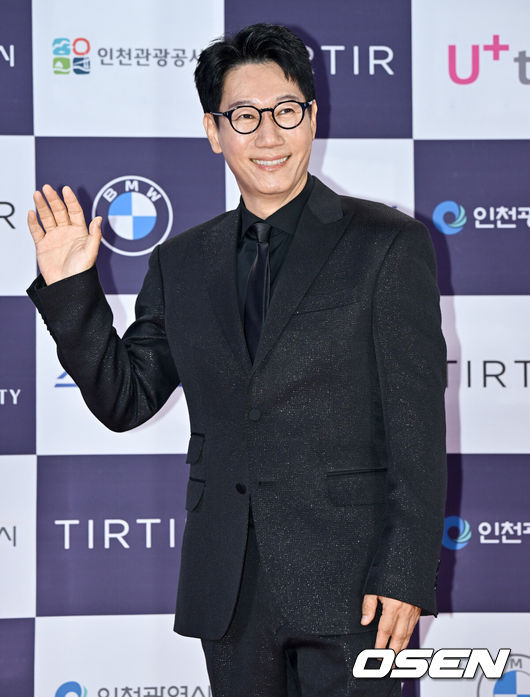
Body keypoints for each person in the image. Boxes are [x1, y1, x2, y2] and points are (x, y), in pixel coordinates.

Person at [27, 23, 447, 697]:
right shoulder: (181, 261)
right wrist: (72, 288)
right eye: (244, 116)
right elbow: (125, 399)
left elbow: (417, 427)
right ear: (213, 131)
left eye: (286, 111)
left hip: (354, 584)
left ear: (313, 117)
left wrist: (405, 571)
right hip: (229, 587)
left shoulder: (386, 244)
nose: (268, 135)